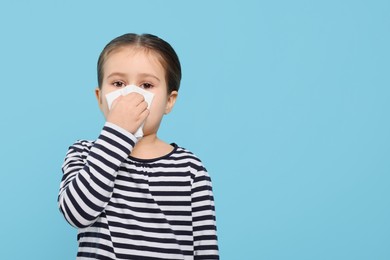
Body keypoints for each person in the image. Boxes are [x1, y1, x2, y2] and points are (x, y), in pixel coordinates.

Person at [58, 33, 219, 260]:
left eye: (146, 85)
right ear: (100, 97)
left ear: (169, 101)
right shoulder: (84, 154)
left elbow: (205, 249)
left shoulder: (191, 169)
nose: (131, 95)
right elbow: (77, 214)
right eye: (118, 83)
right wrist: (117, 132)